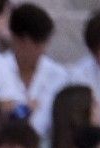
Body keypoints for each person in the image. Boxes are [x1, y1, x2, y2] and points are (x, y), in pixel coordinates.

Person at [6, 3, 65, 134]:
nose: (42, 50)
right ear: (17, 39)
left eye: (43, 44)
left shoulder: (59, 75)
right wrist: (24, 110)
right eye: (35, 44)